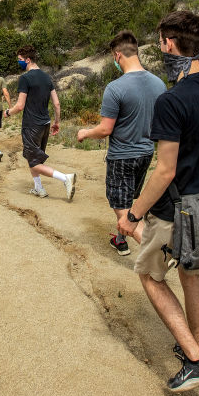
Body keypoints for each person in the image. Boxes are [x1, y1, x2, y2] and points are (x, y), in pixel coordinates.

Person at [118, 11, 199, 392]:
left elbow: (164, 170)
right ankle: (193, 348)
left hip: (176, 209)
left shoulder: (172, 100)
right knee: (192, 276)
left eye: (161, 43)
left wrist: (133, 214)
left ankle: (197, 360)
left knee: (150, 276)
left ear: (168, 44)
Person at [76, 31, 166, 256]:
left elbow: (106, 129)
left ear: (117, 56)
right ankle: (119, 240)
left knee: (122, 208)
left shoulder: (115, 88)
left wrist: (85, 133)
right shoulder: (159, 84)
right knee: (130, 202)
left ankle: (160, 252)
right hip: (146, 153)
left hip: (122, 156)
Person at [5, 45, 76, 200]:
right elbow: (57, 104)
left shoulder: (25, 78)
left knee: (34, 161)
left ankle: (65, 178)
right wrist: (57, 122)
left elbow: (20, 105)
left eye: (20, 60)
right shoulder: (46, 77)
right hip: (45, 124)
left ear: (28, 60)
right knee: (33, 158)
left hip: (31, 126)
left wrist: (7, 112)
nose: (19, 63)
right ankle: (39, 188)